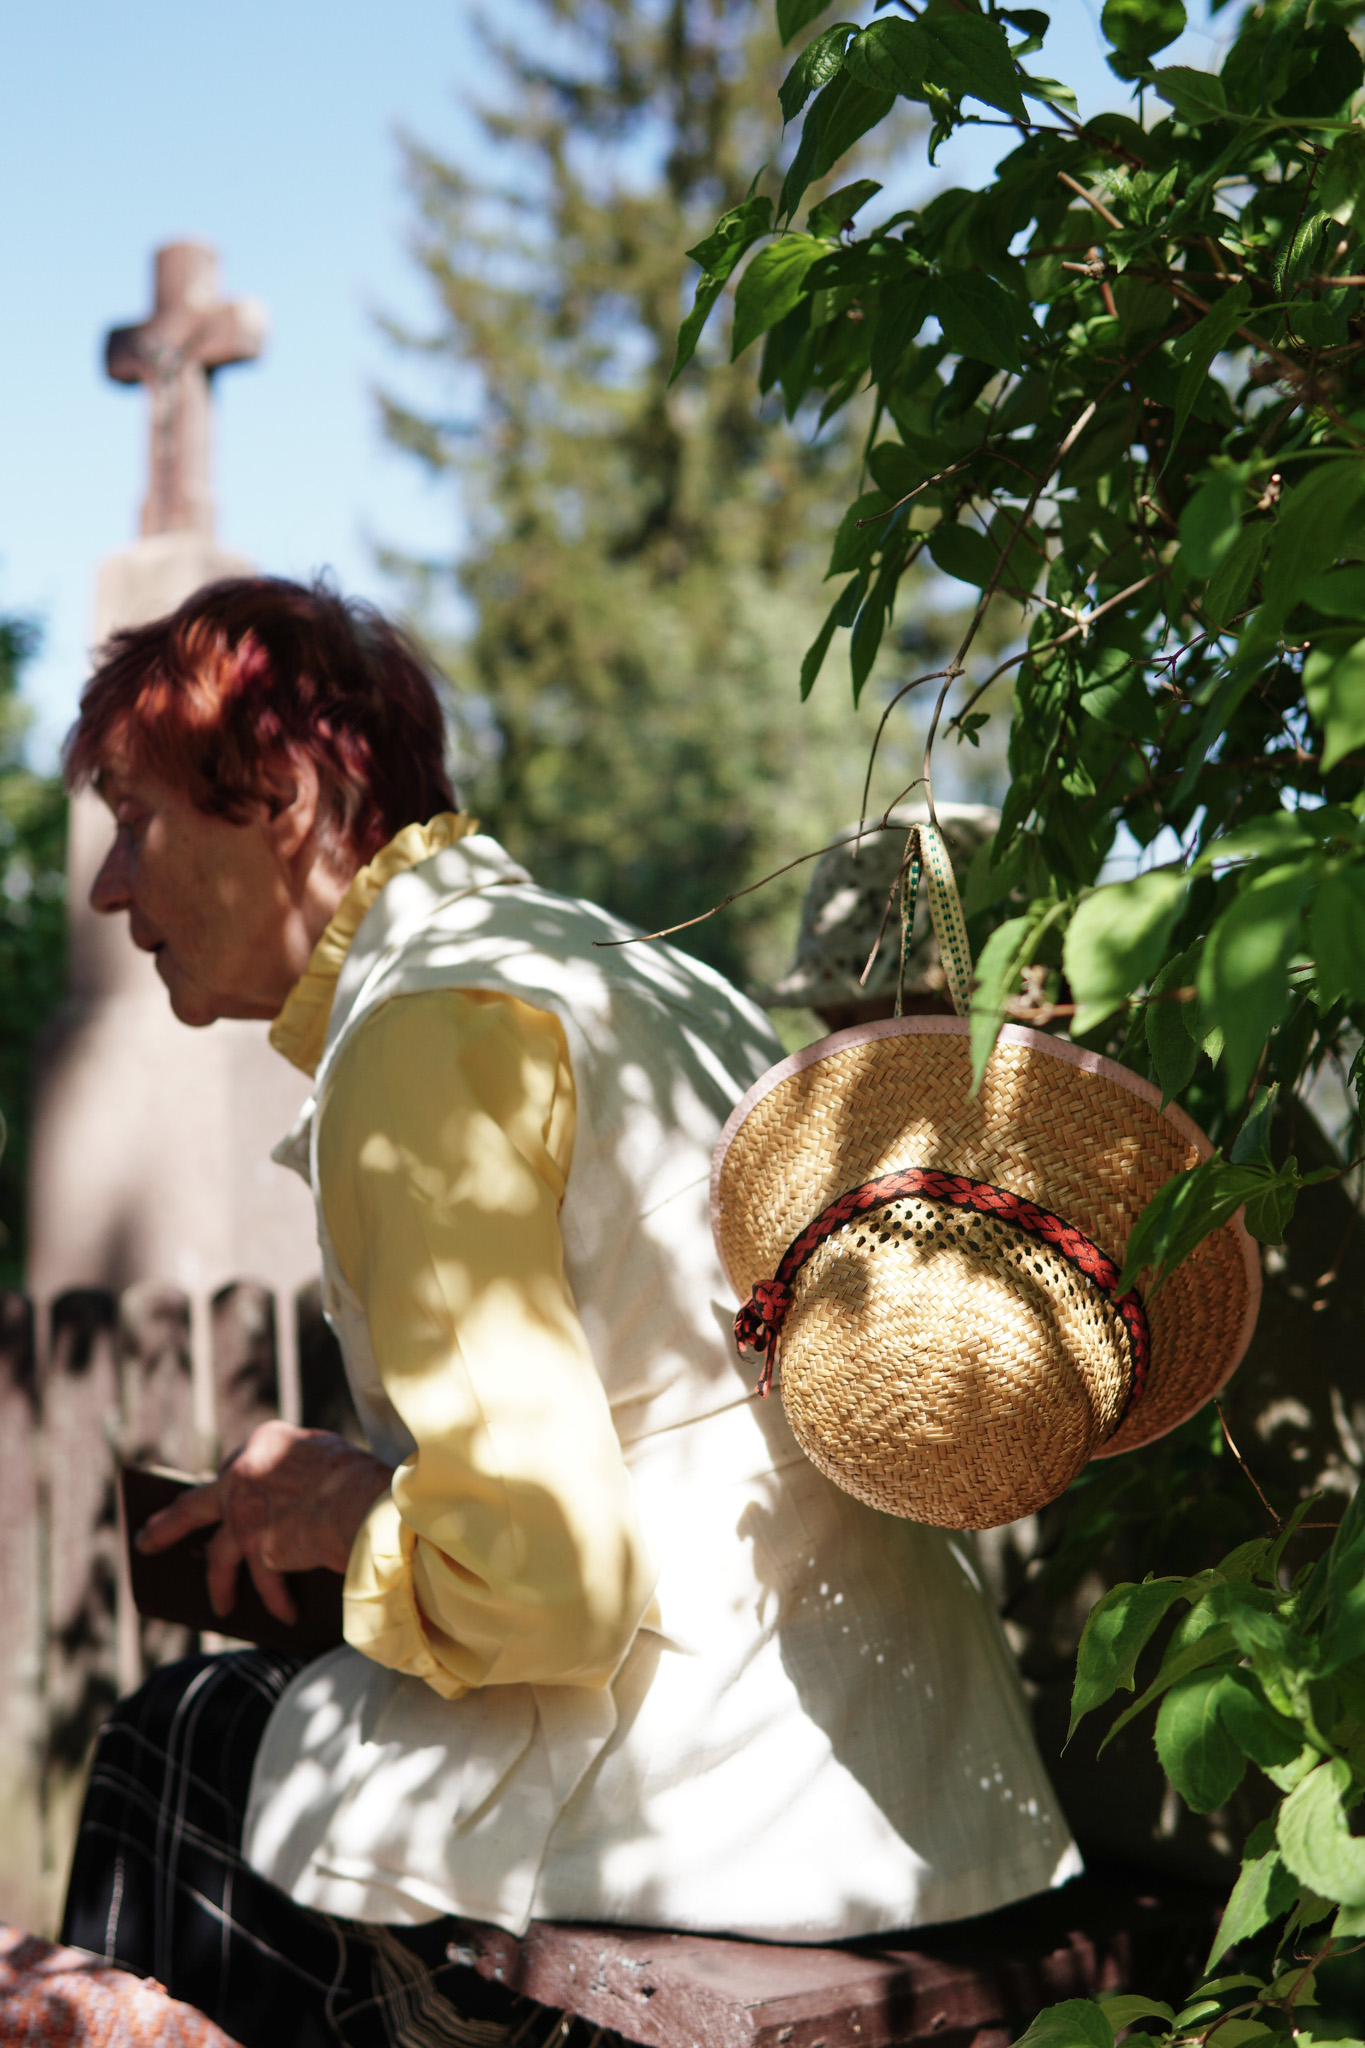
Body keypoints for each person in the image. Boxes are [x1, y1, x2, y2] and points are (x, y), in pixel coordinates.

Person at [59, 578, 1079, 2048]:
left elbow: (539, 1583)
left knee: (183, 1741)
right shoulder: (627, 968)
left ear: (281, 794)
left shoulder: (423, 1031)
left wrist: (344, 1514)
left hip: (715, 1826)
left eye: (134, 819)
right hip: (917, 1798)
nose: (109, 887)